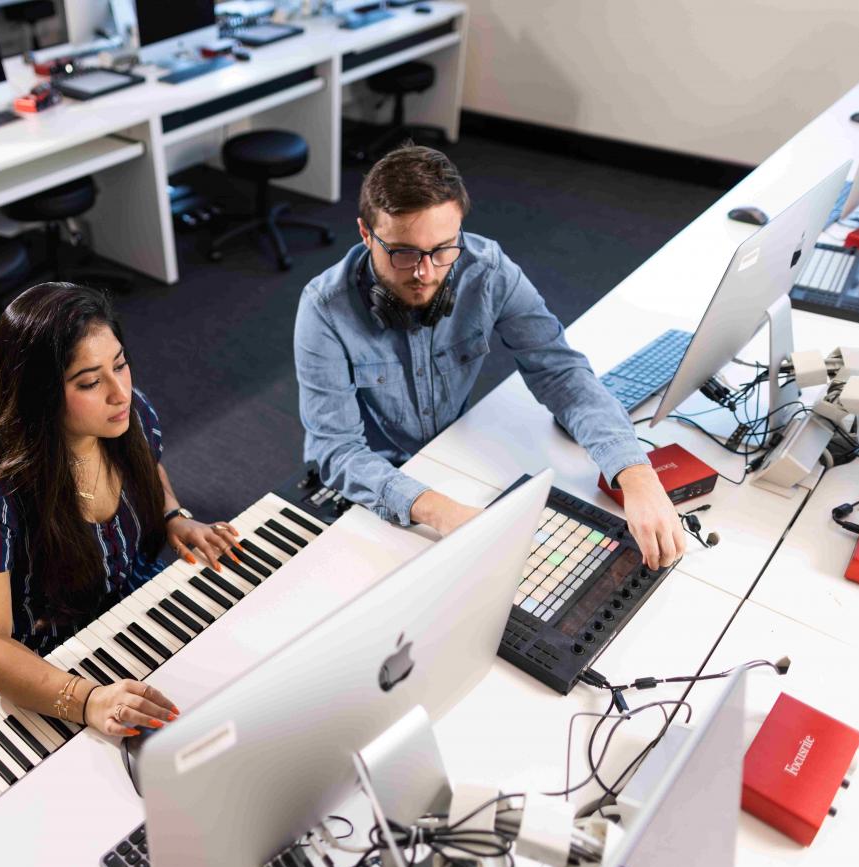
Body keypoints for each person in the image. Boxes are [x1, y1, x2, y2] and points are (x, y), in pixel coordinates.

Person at [293, 145, 684, 568]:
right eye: (404, 253)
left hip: (451, 458)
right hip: (374, 485)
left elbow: (561, 373)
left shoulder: (487, 270)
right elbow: (337, 451)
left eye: (443, 249)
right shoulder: (324, 309)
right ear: (366, 234)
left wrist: (636, 474)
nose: (426, 273)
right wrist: (443, 512)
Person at [0, 282, 242, 736]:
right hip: (44, 665)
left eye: (120, 365)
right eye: (90, 382)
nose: (120, 392)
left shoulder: (128, 412)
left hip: (127, 609)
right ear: (38, 392)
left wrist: (174, 516)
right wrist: (88, 700)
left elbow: (149, 471)